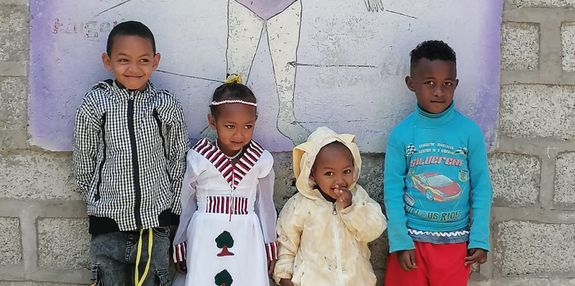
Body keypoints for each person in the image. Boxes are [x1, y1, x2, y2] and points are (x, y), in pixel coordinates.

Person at [73, 21, 190, 285]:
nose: (134, 69)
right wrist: (94, 197)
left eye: (143, 60)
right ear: (108, 61)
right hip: (108, 226)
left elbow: (177, 156)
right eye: (124, 60)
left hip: (153, 226)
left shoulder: (165, 105)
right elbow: (84, 154)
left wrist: (171, 207)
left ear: (155, 61)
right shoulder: (96, 103)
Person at [383, 40, 493, 285]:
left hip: (456, 244)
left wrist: (479, 238)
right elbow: (392, 190)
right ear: (411, 84)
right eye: (429, 83)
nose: (439, 92)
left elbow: (482, 187)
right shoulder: (402, 134)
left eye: (447, 84)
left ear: (456, 85)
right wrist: (400, 239)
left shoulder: (469, 132)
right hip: (412, 243)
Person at [172, 74, 277, 286]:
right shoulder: (199, 157)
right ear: (213, 122)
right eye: (230, 126)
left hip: (247, 235)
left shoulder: (261, 160)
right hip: (204, 233)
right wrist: (179, 242)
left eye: (248, 126)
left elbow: (265, 205)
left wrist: (269, 245)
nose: (239, 134)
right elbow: (186, 202)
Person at [273, 126, 387, 286]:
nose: (339, 180)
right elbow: (286, 242)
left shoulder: (358, 196)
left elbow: (374, 230)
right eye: (329, 174)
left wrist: (351, 208)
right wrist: (284, 275)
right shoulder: (299, 204)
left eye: (346, 171)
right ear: (312, 173)